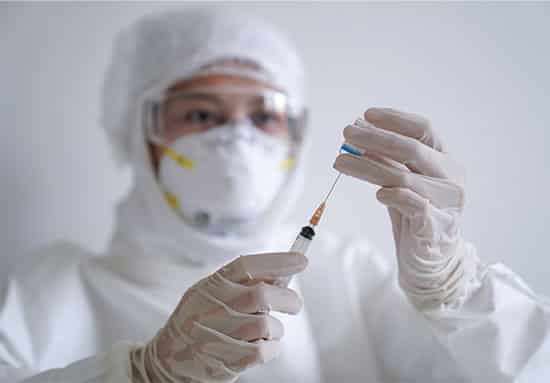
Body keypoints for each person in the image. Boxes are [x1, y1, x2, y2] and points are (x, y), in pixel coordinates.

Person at [1, 8, 549, 383]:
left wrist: (454, 290)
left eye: (263, 115)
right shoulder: (51, 289)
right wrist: (142, 373)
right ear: (138, 131)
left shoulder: (347, 274)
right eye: (200, 114)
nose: (235, 139)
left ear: (293, 136)